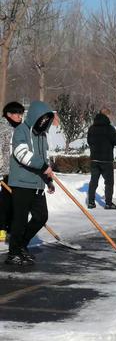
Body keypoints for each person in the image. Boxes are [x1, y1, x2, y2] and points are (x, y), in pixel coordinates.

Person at [7, 101, 55, 265]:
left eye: (46, 120)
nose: (43, 123)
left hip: (37, 184)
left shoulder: (42, 136)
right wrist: (43, 166)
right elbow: (21, 153)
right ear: (35, 116)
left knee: (41, 217)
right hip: (21, 182)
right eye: (41, 119)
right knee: (19, 220)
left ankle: (21, 245)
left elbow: (44, 159)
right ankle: (13, 253)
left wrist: (48, 180)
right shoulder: (21, 130)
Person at [87, 108, 116, 209]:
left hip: (94, 159)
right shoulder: (109, 128)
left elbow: (89, 141)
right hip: (106, 160)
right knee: (109, 182)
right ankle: (108, 203)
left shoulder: (92, 128)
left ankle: (91, 202)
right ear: (107, 116)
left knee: (93, 181)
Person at [0, 102, 25, 243]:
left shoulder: (17, 128)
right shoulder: (4, 128)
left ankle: (9, 229)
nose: (20, 117)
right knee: (6, 201)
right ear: (9, 114)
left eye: (22, 114)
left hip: (17, 171)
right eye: (17, 114)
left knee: (14, 201)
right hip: (6, 171)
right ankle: (3, 229)